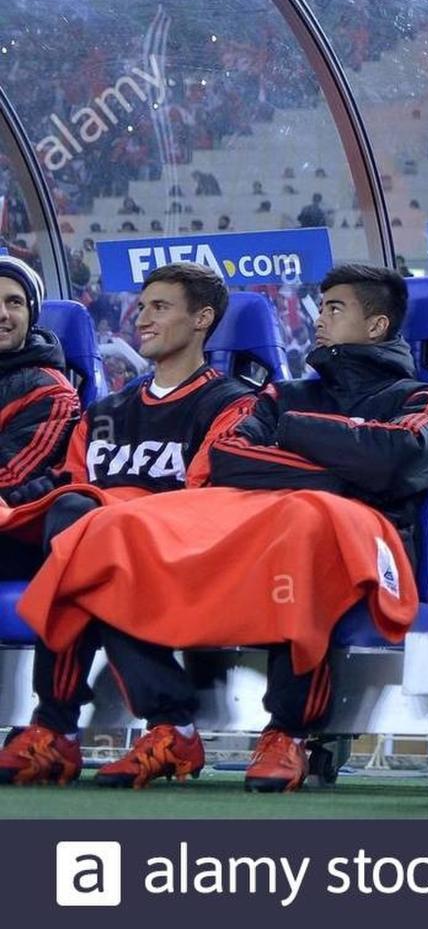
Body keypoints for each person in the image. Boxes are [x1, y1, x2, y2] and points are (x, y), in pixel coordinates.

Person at [24, 265, 428, 792]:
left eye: (335, 308)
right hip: (266, 532)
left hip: (365, 543)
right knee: (112, 528)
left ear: (375, 325)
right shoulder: (283, 396)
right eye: (320, 307)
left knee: (305, 517)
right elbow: (230, 459)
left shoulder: (422, 400)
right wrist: (348, 464)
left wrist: (296, 436)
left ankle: (289, 732)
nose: (320, 318)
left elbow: (400, 457)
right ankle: (166, 726)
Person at [0, 263, 254, 786]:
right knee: (78, 527)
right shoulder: (106, 411)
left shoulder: (231, 404)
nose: (142, 318)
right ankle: (153, 728)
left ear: (202, 318)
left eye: (160, 307)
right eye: (142, 307)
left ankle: (60, 729)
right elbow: (66, 484)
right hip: (102, 552)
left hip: (181, 553)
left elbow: (212, 501)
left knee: (93, 537)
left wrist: (119, 518)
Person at [0, 258, 83, 582]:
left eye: (14, 302)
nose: (2, 314)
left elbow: (10, 477)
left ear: (31, 314)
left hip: (12, 536)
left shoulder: (51, 393)